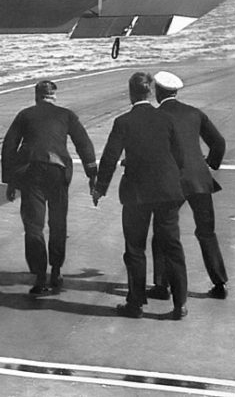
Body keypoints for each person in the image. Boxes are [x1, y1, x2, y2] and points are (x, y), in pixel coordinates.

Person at [92, 72, 188, 320]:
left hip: (136, 194)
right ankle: (180, 305)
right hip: (167, 192)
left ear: (131, 93)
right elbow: (180, 156)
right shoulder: (166, 119)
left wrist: (99, 188)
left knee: (135, 249)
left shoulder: (123, 122)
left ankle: (135, 304)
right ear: (149, 92)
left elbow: (110, 158)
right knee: (172, 247)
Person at [1, 80, 97, 295]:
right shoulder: (66, 115)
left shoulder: (25, 115)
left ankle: (39, 276)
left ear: (36, 96)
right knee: (57, 222)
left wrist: (10, 181)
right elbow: (84, 143)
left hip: (31, 172)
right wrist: (92, 174)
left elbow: (9, 146)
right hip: (58, 171)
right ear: (55, 96)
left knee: (34, 225)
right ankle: (56, 269)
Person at [148, 71, 228, 300]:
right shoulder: (194, 112)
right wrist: (210, 164)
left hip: (171, 182)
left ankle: (162, 285)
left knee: (162, 233)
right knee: (207, 232)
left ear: (158, 91)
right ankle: (220, 282)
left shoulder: (156, 116)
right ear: (176, 91)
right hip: (200, 181)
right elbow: (218, 143)